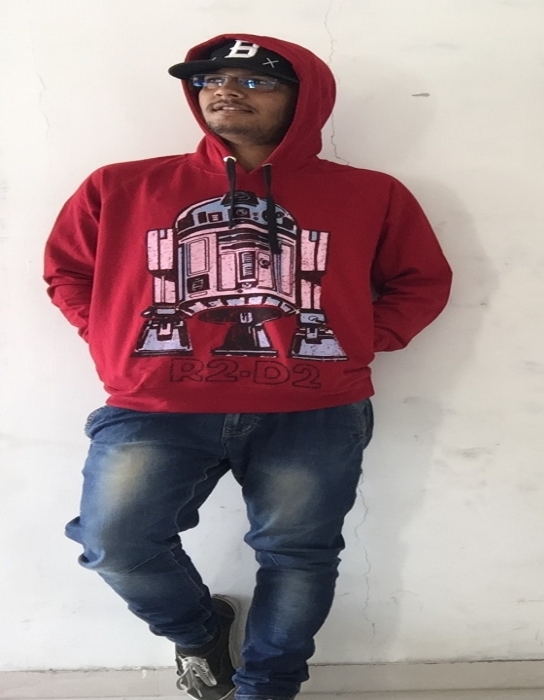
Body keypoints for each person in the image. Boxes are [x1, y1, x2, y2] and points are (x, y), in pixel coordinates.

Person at [44, 34, 452, 700]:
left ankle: (268, 688)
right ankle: (200, 632)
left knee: (297, 555)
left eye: (256, 81)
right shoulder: (121, 185)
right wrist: (114, 338)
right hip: (156, 403)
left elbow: (420, 280)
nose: (227, 90)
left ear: (304, 99)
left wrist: (354, 338)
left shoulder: (369, 193)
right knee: (115, 542)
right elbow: (67, 270)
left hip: (313, 407)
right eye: (211, 80)